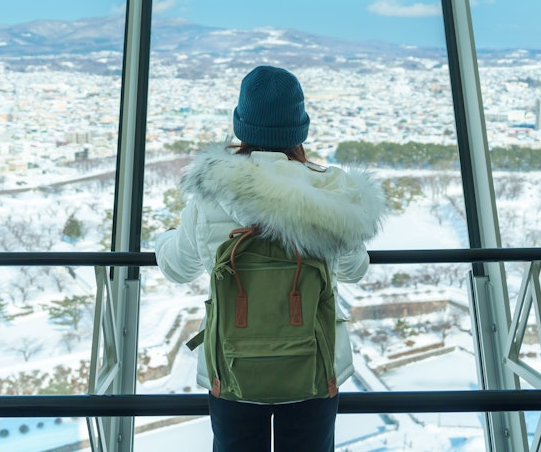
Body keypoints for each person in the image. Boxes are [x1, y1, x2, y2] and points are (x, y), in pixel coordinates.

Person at [155, 65, 386, 452]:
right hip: (313, 366)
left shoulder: (210, 194)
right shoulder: (329, 195)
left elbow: (177, 268)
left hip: (232, 369)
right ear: (300, 129)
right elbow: (355, 269)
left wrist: (165, 238)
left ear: (241, 125)